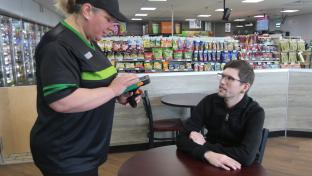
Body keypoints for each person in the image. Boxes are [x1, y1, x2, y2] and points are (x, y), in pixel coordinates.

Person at [30, 0, 139, 175]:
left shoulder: (88, 40)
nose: (113, 27)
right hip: (66, 154)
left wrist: (119, 94)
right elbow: (62, 100)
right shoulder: (56, 45)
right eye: (109, 19)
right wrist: (112, 90)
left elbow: (93, 84)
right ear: (87, 11)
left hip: (84, 149)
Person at [176, 60, 265, 171]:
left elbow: (246, 156)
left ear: (245, 87)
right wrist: (207, 154)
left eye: (230, 78)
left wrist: (205, 145)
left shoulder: (255, 112)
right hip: (208, 164)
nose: (222, 82)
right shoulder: (209, 102)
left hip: (239, 168)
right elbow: (181, 138)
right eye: (222, 76)